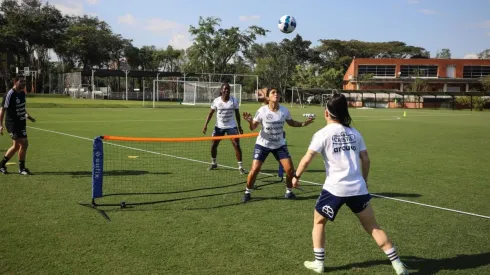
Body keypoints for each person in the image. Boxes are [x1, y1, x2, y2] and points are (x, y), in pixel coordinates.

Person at [291, 93, 409, 274]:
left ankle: (319, 263)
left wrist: (296, 176)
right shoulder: (354, 132)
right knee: (373, 227)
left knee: (319, 222)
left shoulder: (322, 134)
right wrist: (365, 180)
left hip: (334, 189)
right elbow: (366, 159)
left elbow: (307, 159)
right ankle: (398, 264)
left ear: (326, 113)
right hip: (358, 188)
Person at [241, 88, 314, 202]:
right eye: (273, 93)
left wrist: (305, 123)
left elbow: (292, 123)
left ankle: (289, 192)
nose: (276, 94)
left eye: (278, 93)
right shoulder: (262, 111)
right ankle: (247, 192)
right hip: (263, 144)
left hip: (279, 144)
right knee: (255, 169)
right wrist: (250, 121)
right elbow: (252, 127)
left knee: (290, 170)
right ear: (268, 97)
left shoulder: (284, 110)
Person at [202, 82, 245, 174]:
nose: (226, 90)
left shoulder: (234, 101)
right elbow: (210, 113)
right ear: (221, 90)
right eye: (225, 89)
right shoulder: (216, 101)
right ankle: (214, 163)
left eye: (228, 89)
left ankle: (240, 167)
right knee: (213, 145)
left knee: (236, 145)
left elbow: (237, 114)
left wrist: (239, 126)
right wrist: (205, 125)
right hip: (219, 127)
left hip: (232, 127)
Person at [0, 76, 36, 175]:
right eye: (21, 81)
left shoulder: (23, 93)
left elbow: (21, 108)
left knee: (16, 146)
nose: (24, 83)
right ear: (15, 82)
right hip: (11, 124)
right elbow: (2, 110)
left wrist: (28, 117)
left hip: (21, 123)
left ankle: (2, 165)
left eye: (24, 81)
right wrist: (0, 125)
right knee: (24, 143)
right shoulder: (10, 94)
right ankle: (21, 169)